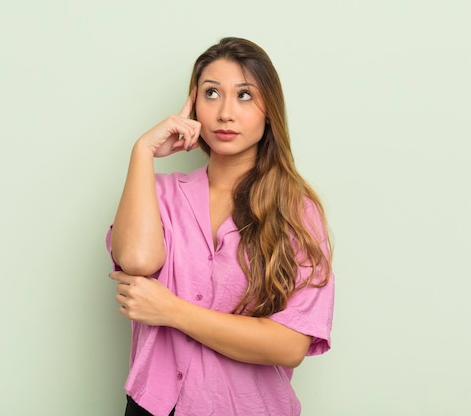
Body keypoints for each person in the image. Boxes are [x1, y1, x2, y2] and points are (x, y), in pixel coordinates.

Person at [106, 37, 334, 416]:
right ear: (193, 105)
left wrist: (170, 310)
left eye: (244, 95)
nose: (226, 113)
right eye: (211, 93)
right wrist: (142, 152)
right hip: (155, 407)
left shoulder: (297, 211)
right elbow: (137, 259)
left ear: (269, 110)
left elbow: (290, 345)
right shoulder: (159, 194)